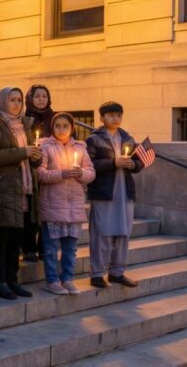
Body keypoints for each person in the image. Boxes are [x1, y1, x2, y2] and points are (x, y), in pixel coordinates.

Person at [0, 87, 41, 300]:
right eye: (12, 100)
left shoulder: (23, 124)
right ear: (2, 101)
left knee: (15, 239)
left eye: (19, 100)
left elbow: (30, 153)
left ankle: (12, 280)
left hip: (21, 188)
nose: (16, 104)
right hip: (1, 188)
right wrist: (22, 153)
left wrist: (35, 157)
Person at [86, 101, 144, 289]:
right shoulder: (93, 140)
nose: (115, 118)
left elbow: (139, 163)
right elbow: (89, 166)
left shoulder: (128, 138)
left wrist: (133, 165)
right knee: (102, 234)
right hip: (104, 194)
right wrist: (113, 163)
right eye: (111, 115)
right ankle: (97, 274)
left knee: (123, 234)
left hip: (125, 193)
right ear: (102, 118)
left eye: (118, 115)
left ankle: (117, 272)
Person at [37, 112, 95, 295]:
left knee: (71, 248)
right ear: (52, 128)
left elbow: (91, 172)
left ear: (72, 128)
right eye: (57, 126)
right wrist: (62, 173)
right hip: (53, 205)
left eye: (65, 126)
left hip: (74, 207)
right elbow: (40, 174)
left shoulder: (80, 148)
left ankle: (68, 278)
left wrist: (80, 174)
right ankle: (52, 280)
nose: (61, 129)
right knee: (51, 248)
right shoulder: (45, 147)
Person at [21, 83, 54, 262]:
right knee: (30, 211)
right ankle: (28, 247)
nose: (41, 99)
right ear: (30, 99)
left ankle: (44, 246)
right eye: (37, 96)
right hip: (30, 169)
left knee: (47, 211)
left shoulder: (55, 118)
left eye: (44, 96)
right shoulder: (25, 118)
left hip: (50, 168)